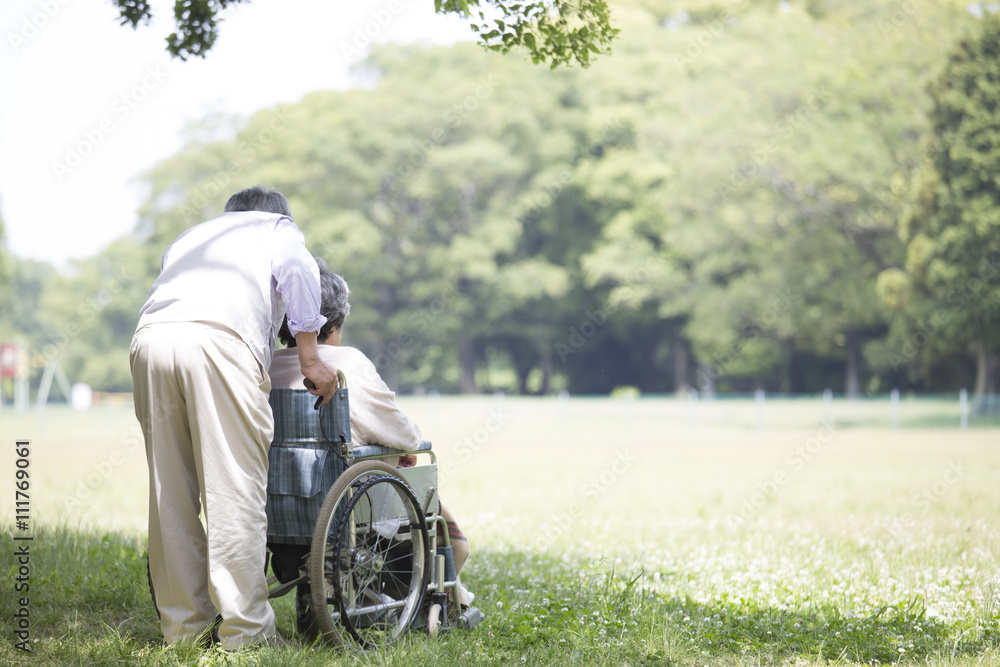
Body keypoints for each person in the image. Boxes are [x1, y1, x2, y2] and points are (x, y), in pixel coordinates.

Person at [130, 186, 339, 650]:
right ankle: (247, 635)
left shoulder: (194, 236)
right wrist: (310, 359)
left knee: (170, 493)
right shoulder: (279, 229)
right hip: (221, 341)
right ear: (281, 215)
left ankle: (185, 630)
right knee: (234, 489)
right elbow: (300, 270)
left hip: (151, 340)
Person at [267, 268, 474, 638]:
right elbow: (401, 432)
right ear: (336, 320)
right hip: (343, 505)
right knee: (430, 502)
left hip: (275, 505)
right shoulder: (348, 363)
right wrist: (408, 446)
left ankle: (321, 595)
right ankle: (427, 599)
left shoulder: (264, 365)